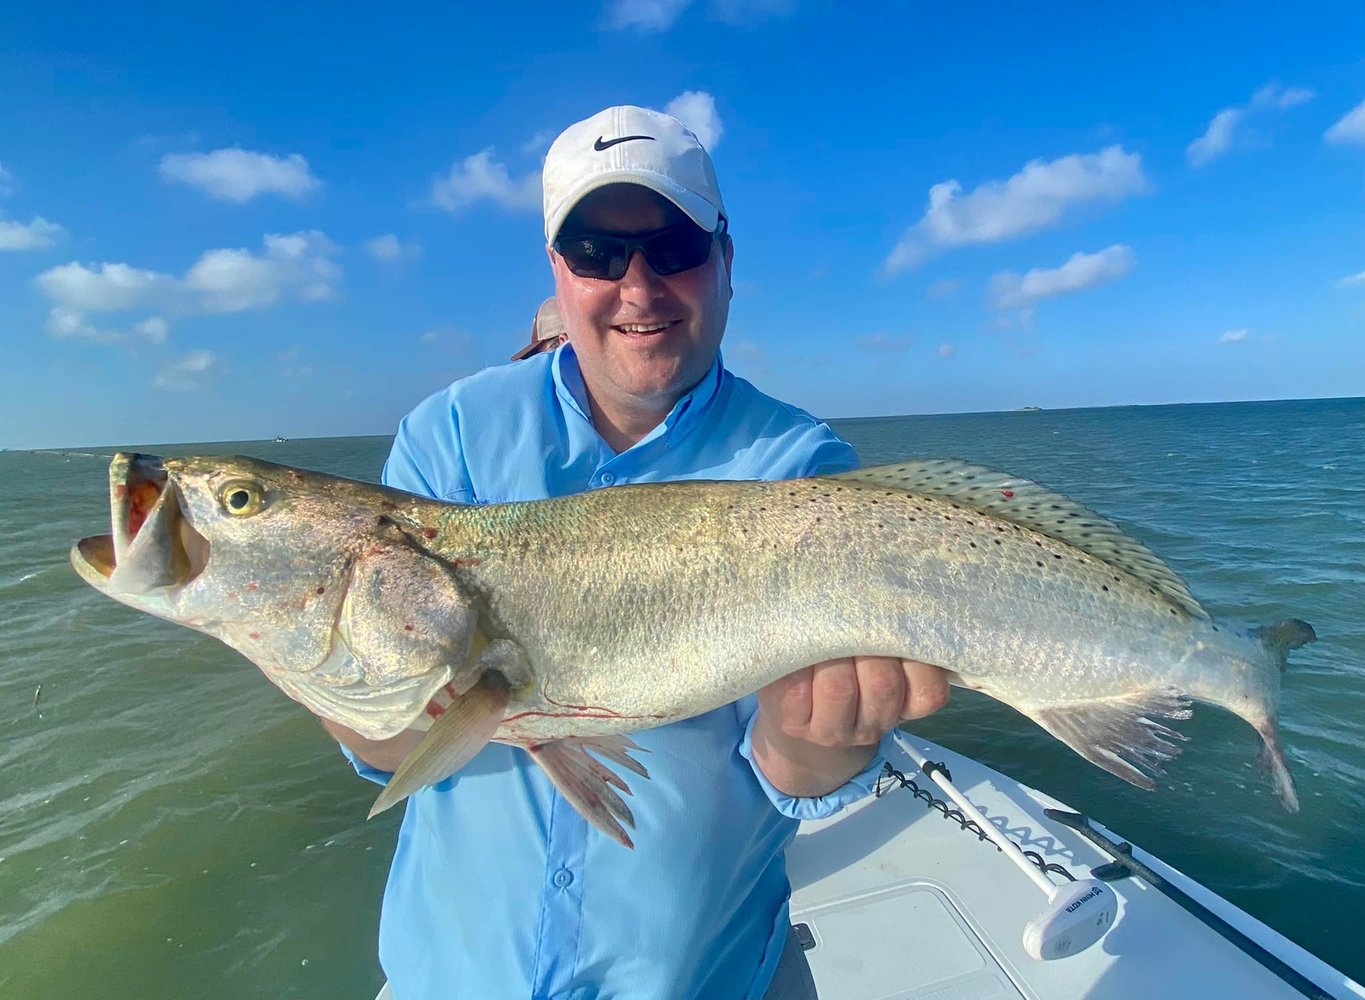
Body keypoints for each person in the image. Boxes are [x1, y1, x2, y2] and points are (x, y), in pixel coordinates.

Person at [322, 105, 950, 1000]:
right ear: (558, 271)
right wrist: (320, 656)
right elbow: (390, 744)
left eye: (675, 248)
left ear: (726, 262)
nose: (639, 287)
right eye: (597, 253)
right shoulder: (450, 434)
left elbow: (787, 772)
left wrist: (822, 742)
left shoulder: (800, 471)